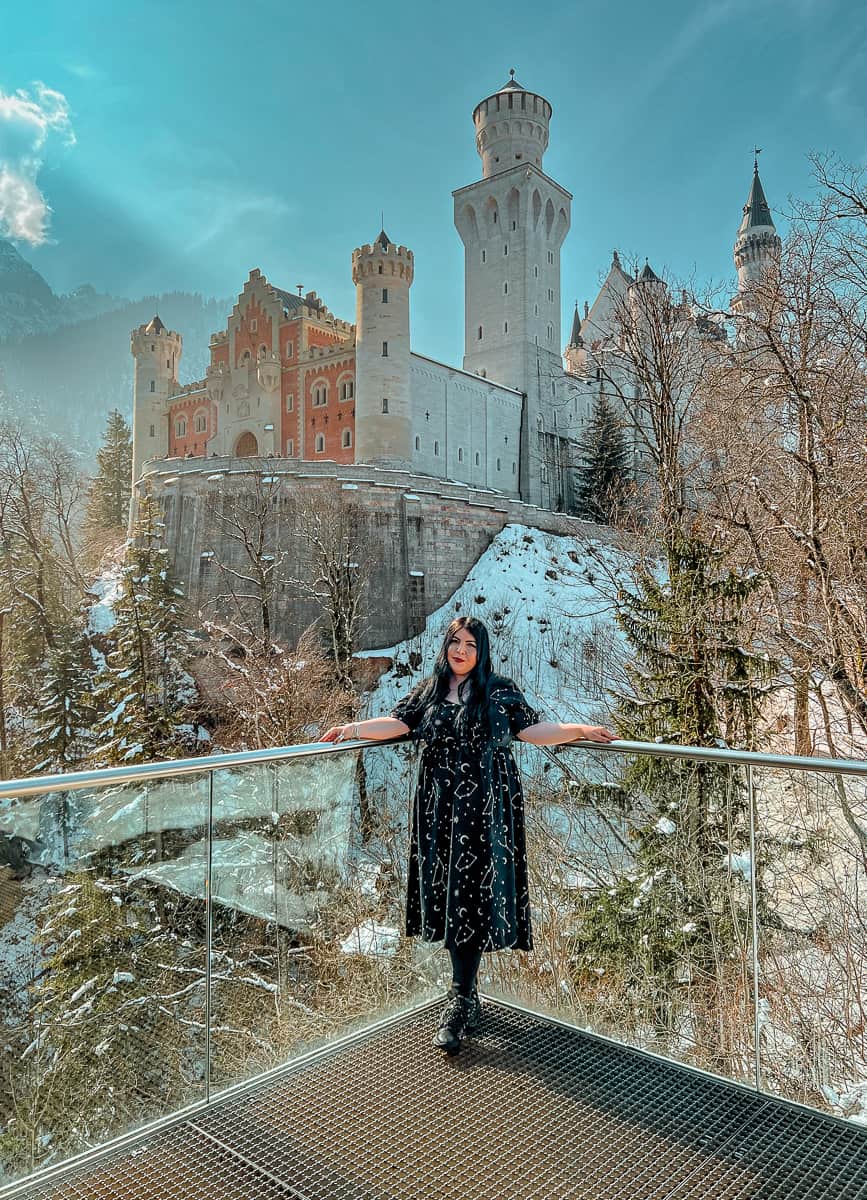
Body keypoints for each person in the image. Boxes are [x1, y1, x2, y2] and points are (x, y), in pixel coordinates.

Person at [321, 615, 615, 1054]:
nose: (461, 650)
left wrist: (580, 730)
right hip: (440, 810)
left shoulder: (499, 689)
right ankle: (465, 996)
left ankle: (461, 997)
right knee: (452, 894)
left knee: (475, 894)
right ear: (445, 647)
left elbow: (531, 731)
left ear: (482, 652)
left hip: (487, 808)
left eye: (470, 644)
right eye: (455, 642)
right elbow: (398, 724)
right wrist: (352, 729)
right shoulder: (431, 691)